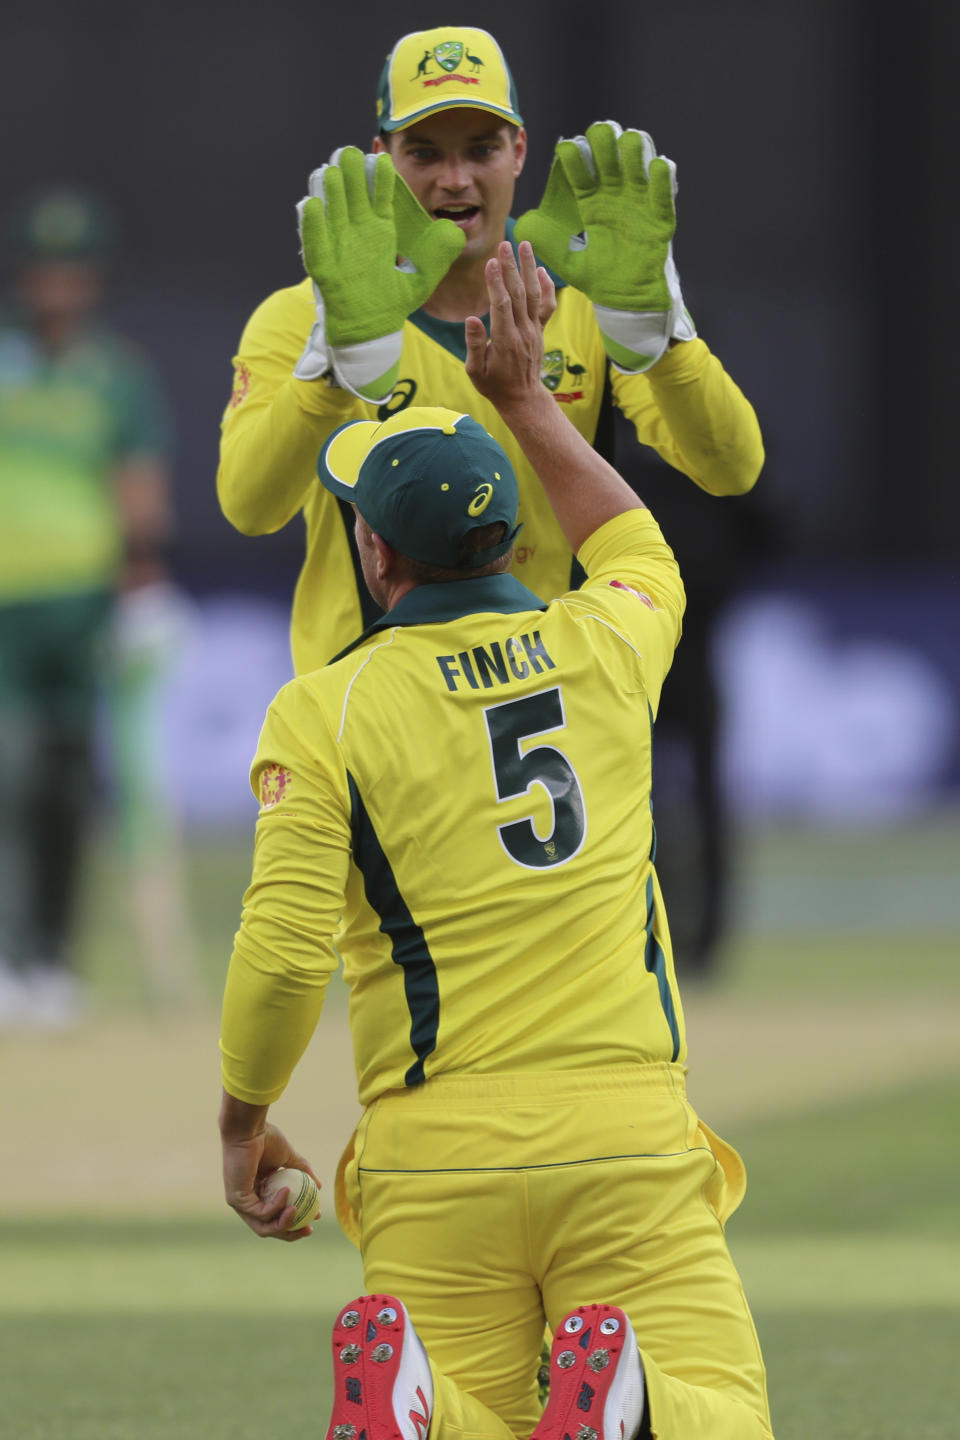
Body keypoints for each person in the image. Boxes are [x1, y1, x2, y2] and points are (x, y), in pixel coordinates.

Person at [218, 241, 773, 1440]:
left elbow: (281, 946)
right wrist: (526, 401)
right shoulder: (612, 645)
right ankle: (631, 1403)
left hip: (431, 1153)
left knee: (482, 1417)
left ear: (373, 553)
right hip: (621, 1133)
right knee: (721, 1414)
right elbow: (631, 534)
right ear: (518, 532)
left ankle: (427, 1410)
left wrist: (242, 1118)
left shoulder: (326, 709)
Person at [217, 23, 764, 678]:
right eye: (424, 153)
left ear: (519, 151)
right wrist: (329, 370)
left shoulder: (593, 305)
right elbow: (249, 507)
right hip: (374, 719)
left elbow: (731, 468)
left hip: (549, 701)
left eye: (481, 149)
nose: (455, 179)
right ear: (382, 156)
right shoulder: (303, 318)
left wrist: (665, 342)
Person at [0, 183, 189, 1026]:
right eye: (45, 271)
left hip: (80, 609)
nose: (58, 289)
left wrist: (143, 585)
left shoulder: (116, 376)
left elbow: (139, 488)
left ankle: (52, 962)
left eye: (72, 272)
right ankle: (8, 957)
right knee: (9, 772)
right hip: (4, 608)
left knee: (66, 784)